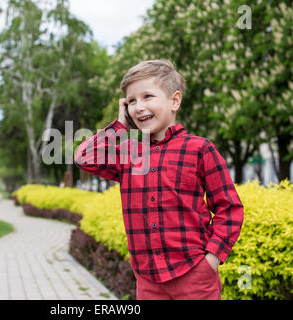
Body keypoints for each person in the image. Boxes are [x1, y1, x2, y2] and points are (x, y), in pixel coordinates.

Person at [74, 59, 244, 300]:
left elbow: (230, 208)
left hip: (194, 274)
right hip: (148, 280)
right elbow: (84, 157)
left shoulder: (200, 149)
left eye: (148, 97)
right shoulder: (128, 153)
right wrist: (120, 124)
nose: (139, 107)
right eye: (131, 101)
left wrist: (212, 259)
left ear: (174, 101)